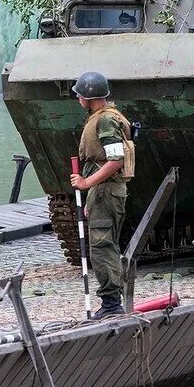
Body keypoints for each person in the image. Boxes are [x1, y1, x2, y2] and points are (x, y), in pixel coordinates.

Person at [69, 71, 136, 316]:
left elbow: (116, 159)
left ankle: (111, 305)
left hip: (106, 191)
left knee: (102, 246)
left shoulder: (106, 120)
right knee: (104, 244)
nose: (77, 99)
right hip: (102, 192)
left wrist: (86, 183)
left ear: (89, 95)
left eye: (79, 94)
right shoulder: (99, 117)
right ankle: (111, 302)